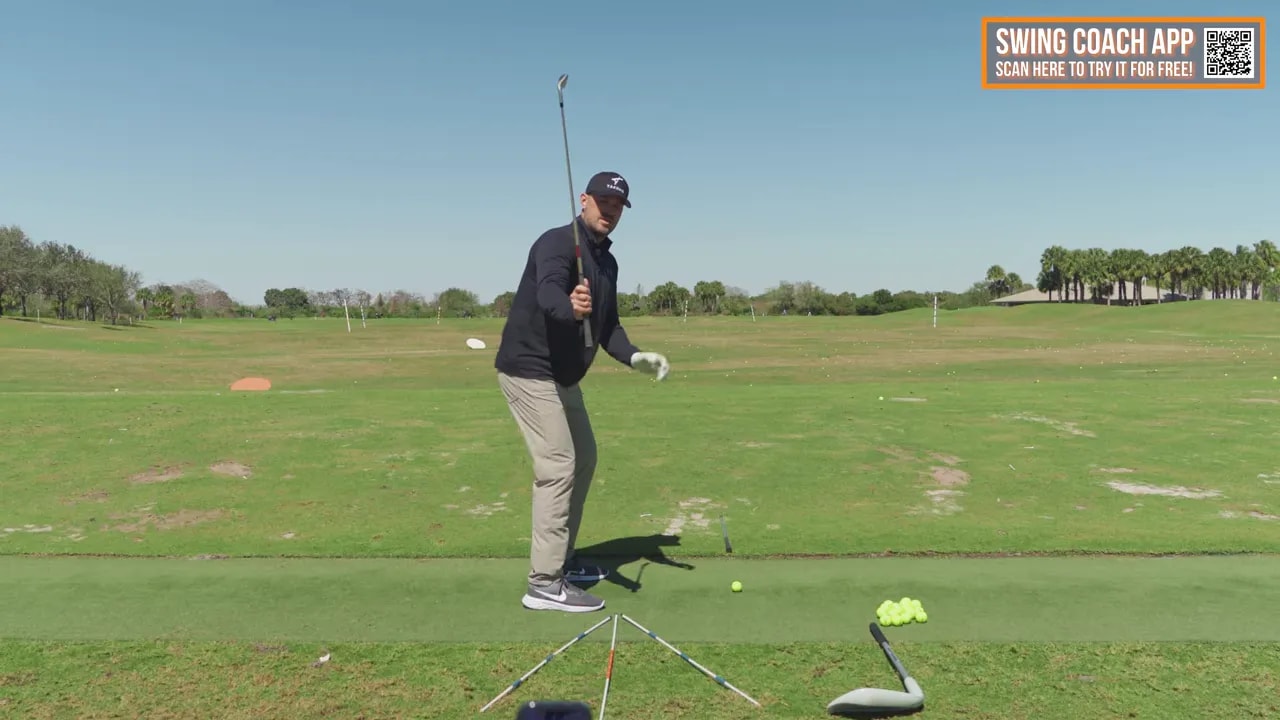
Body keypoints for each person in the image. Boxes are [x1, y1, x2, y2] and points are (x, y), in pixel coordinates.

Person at [494, 171, 670, 613]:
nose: (610, 211)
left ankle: (564, 561)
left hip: (565, 376)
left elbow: (608, 326)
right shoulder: (556, 243)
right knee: (557, 467)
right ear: (584, 199)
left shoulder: (607, 263)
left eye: (618, 206)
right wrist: (569, 309)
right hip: (530, 370)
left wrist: (634, 357)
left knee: (585, 457)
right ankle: (544, 583)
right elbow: (550, 290)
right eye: (604, 202)